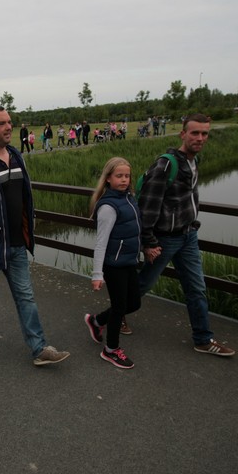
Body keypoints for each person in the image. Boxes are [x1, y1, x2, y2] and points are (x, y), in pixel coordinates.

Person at [0, 105, 70, 366]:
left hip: (17, 244)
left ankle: (39, 348)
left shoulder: (16, 155)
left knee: (25, 296)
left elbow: (24, 197)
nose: (9, 127)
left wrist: (28, 230)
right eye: (2, 123)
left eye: (9, 122)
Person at [134, 113, 235, 356]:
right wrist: (148, 242)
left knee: (196, 287)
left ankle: (203, 339)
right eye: (195, 133)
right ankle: (106, 319)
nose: (200, 138)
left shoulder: (193, 161)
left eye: (204, 133)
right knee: (143, 284)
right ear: (183, 134)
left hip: (188, 235)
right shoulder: (166, 165)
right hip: (164, 239)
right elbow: (147, 207)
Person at [84, 157, 144, 369]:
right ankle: (110, 350)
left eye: (127, 176)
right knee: (119, 307)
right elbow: (101, 243)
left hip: (129, 261)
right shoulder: (108, 206)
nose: (124, 180)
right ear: (108, 178)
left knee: (134, 303)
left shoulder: (129, 198)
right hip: (113, 264)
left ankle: (97, 321)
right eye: (119, 176)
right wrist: (97, 274)